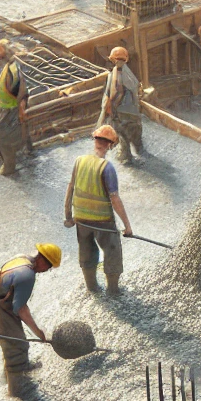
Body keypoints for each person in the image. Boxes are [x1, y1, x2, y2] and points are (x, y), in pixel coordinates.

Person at [0, 244, 61, 397]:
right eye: (49, 266)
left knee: (14, 342)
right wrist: (39, 333)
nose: (47, 270)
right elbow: (20, 308)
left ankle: (14, 371)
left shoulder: (22, 258)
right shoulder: (27, 276)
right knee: (17, 346)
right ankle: (17, 391)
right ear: (43, 261)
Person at [62, 125, 133, 295]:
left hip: (81, 220)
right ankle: (113, 291)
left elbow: (70, 188)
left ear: (95, 141)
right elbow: (115, 199)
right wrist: (127, 227)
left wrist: (68, 216)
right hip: (103, 222)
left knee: (86, 251)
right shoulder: (106, 168)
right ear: (111, 145)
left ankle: (92, 288)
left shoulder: (79, 161)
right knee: (112, 252)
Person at [0, 39, 28, 177]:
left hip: (7, 109)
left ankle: (9, 165)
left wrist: (20, 108)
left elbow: (18, 91)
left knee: (0, 136)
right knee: (1, 136)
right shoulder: (10, 66)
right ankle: (10, 163)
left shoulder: (13, 69)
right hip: (4, 107)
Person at [100, 47, 144, 162]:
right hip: (133, 112)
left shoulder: (113, 75)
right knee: (136, 137)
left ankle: (125, 158)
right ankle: (140, 154)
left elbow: (113, 95)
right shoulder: (129, 74)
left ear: (113, 59)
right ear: (126, 59)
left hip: (121, 113)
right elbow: (137, 90)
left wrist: (110, 111)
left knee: (123, 137)